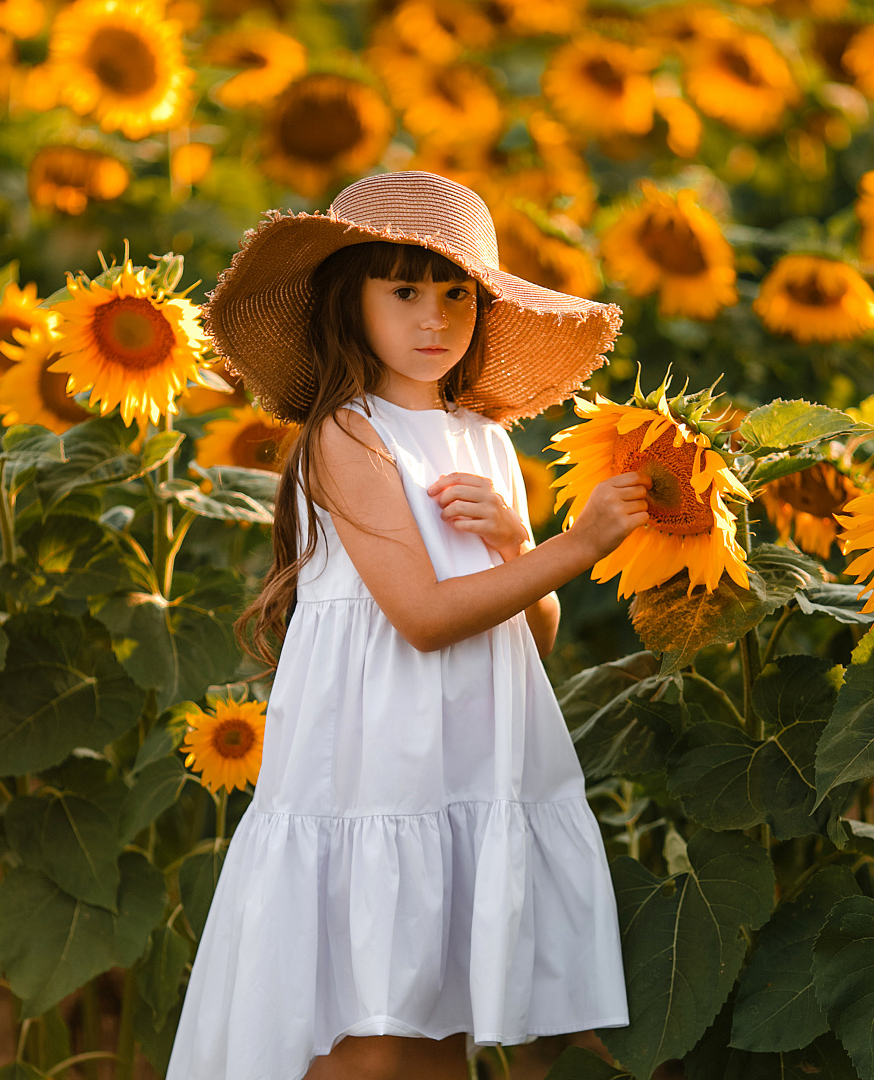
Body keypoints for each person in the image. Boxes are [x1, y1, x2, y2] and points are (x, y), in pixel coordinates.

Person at [166, 170, 648, 1080]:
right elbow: (423, 619)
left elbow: (530, 639)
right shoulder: (348, 436)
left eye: (457, 293)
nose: (435, 318)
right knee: (368, 1027)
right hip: (377, 759)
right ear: (350, 304)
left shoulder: (488, 441)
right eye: (404, 291)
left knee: (437, 1023)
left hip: (469, 758)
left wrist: (520, 548)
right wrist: (579, 546)